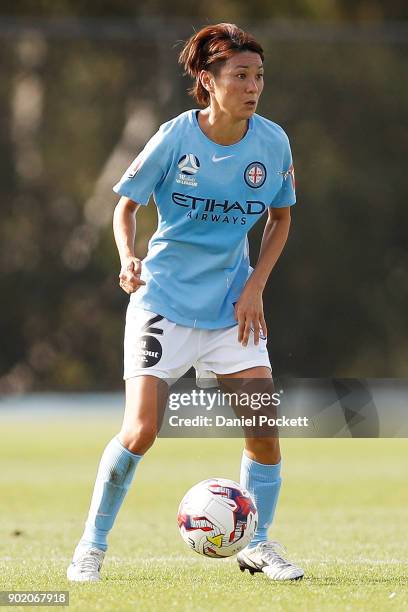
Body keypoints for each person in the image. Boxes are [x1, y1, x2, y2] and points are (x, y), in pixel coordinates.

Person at [67, 22, 303, 582]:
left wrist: (254, 288)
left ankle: (258, 544)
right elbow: (124, 207)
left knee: (264, 431)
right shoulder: (175, 137)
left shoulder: (273, 143)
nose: (253, 86)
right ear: (209, 80)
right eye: (241, 75)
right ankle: (90, 549)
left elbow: (281, 218)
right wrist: (128, 257)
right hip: (163, 303)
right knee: (141, 430)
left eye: (259, 76)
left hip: (232, 308)